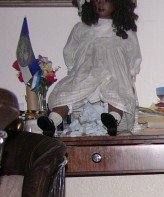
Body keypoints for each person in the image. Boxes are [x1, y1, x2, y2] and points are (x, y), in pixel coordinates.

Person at [37, 0, 140, 137]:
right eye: (96, 0)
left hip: (114, 73)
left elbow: (134, 54)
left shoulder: (124, 30)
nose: (100, 3)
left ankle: (113, 120)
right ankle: (52, 121)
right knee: (68, 93)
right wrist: (73, 69)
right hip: (86, 71)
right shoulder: (81, 28)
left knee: (117, 93)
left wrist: (130, 75)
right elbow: (70, 50)